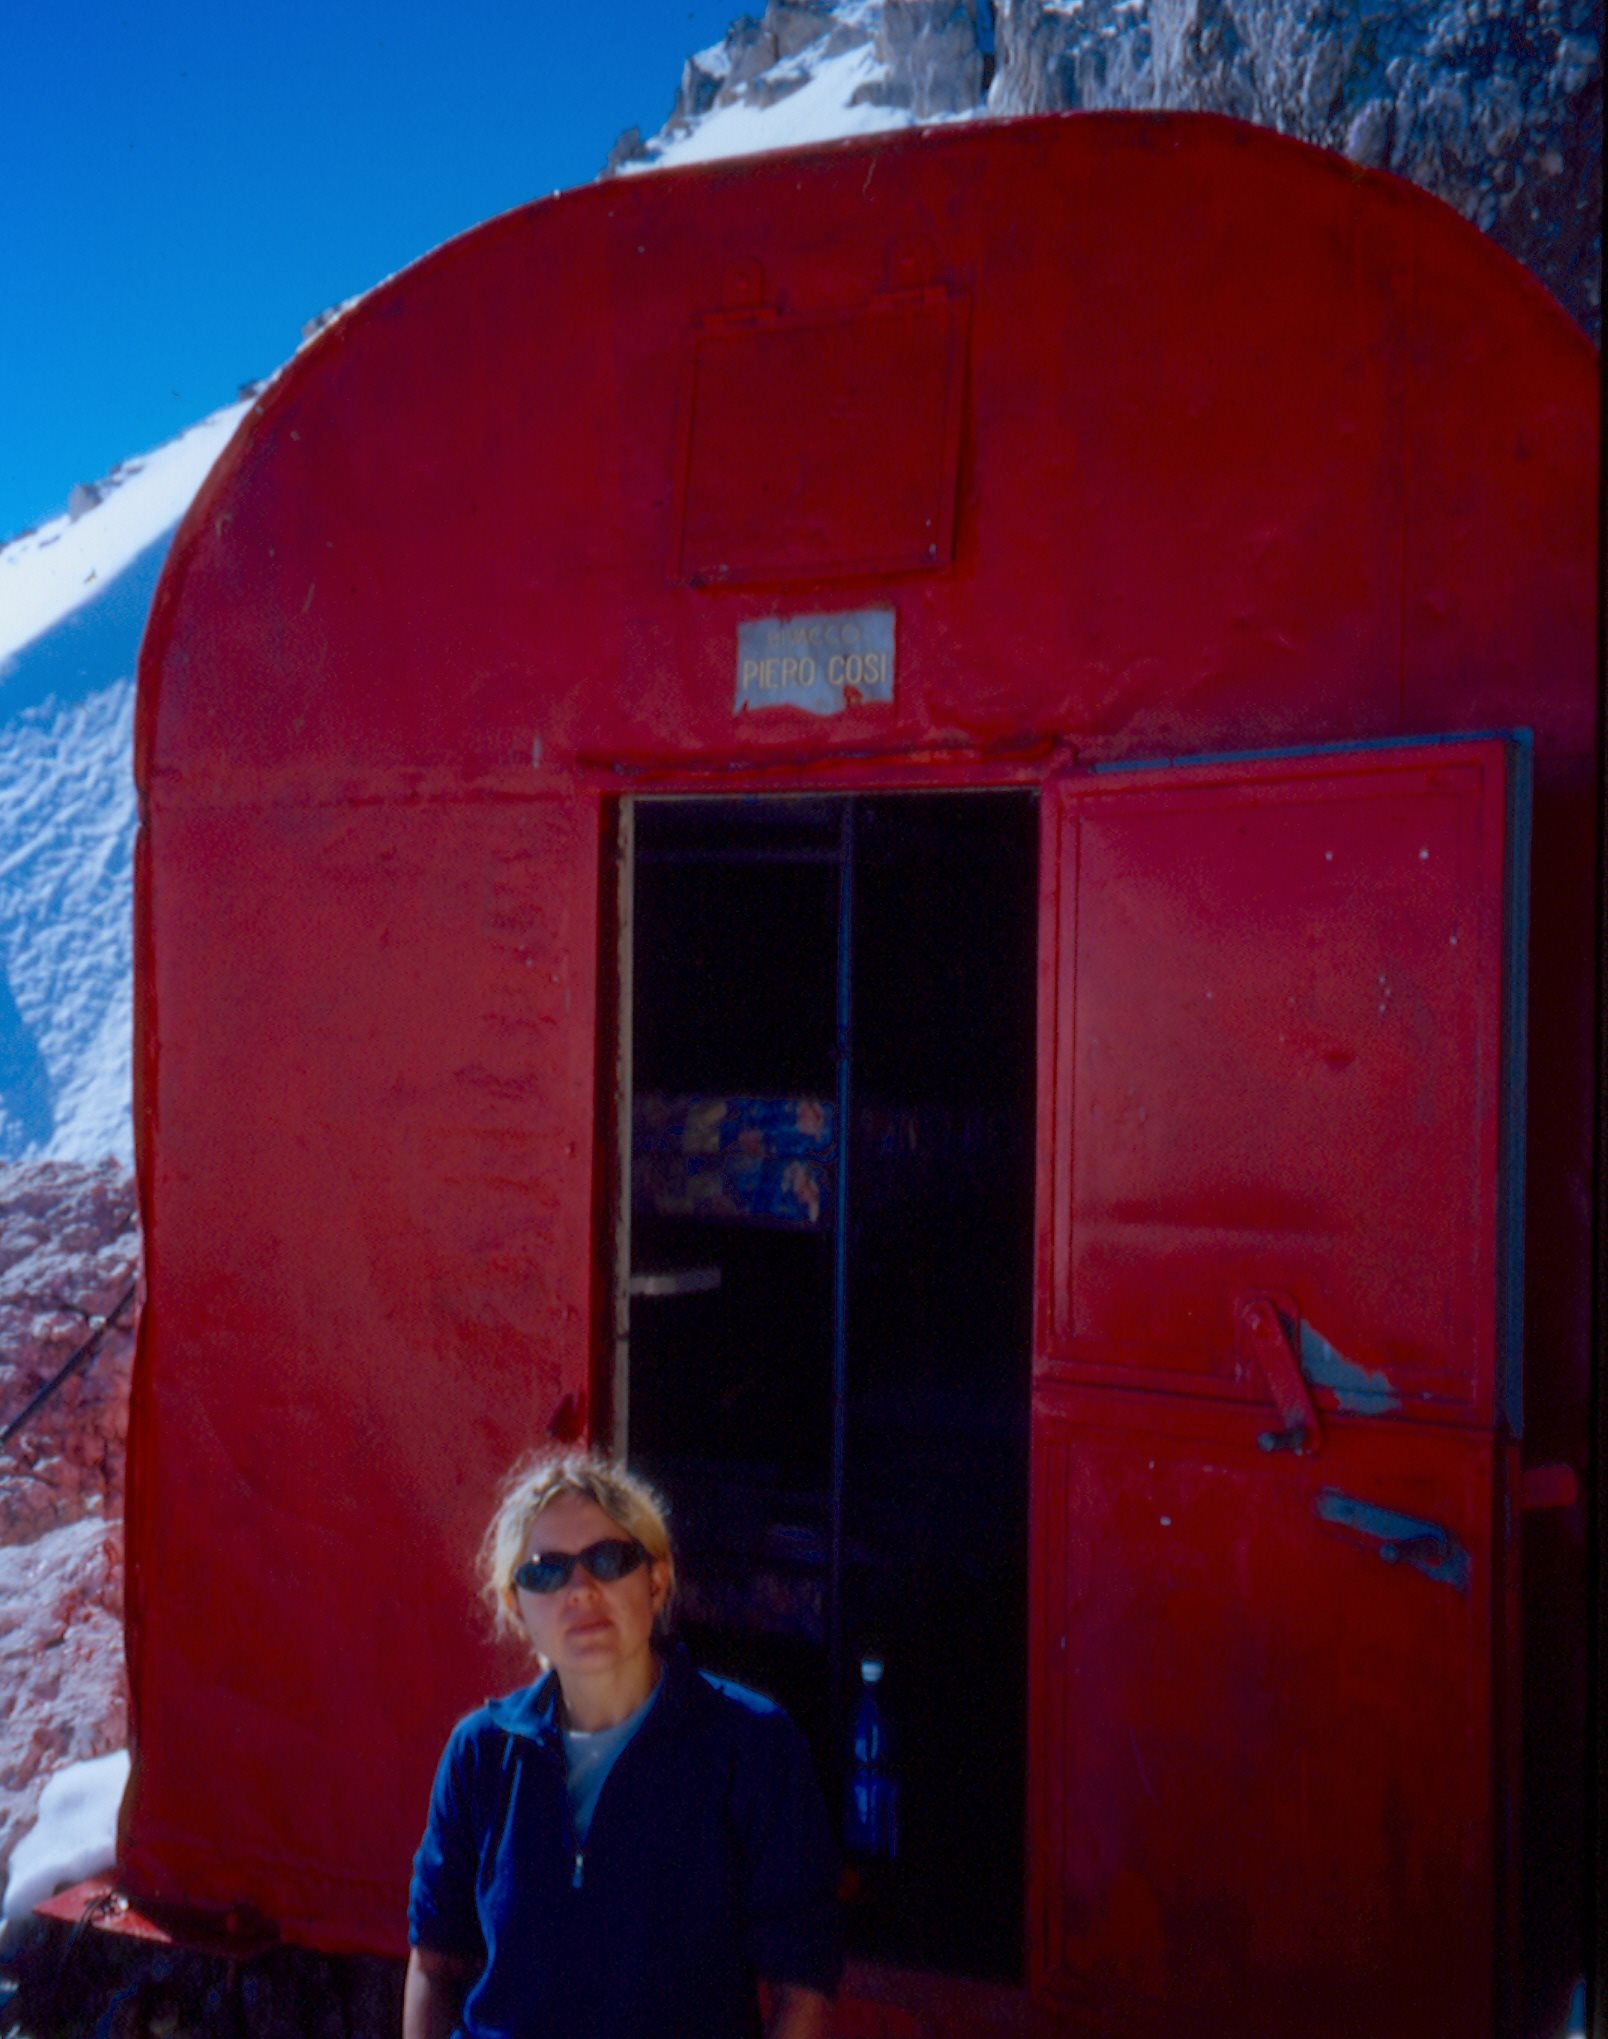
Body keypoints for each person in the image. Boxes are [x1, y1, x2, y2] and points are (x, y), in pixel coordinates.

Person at [404, 1449, 841, 2039]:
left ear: (656, 1581)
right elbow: (434, 1962)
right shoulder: (480, 1753)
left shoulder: (750, 1746)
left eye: (608, 1560)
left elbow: (801, 1985)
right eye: (545, 1571)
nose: (580, 1590)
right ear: (515, 1606)